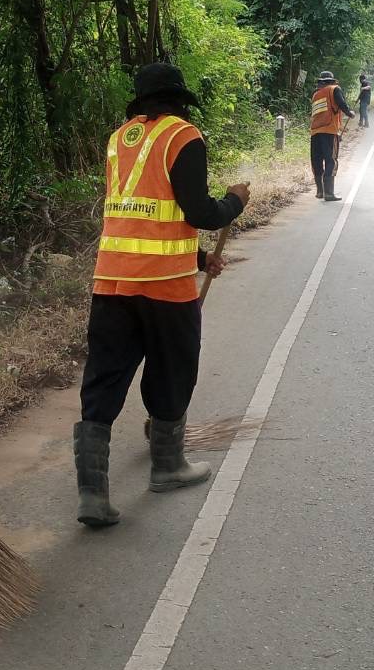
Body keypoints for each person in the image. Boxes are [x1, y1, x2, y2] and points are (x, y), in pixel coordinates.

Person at [74, 62, 250, 528]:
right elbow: (200, 212)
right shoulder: (182, 136)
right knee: (173, 370)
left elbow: (142, 218)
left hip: (112, 281)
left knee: (104, 377)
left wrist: (199, 258)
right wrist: (235, 201)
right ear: (178, 100)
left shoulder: (119, 140)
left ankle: (92, 494)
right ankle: (168, 467)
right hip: (165, 289)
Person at [309, 70, 354, 202]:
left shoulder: (316, 94)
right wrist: (350, 113)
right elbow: (341, 104)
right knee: (331, 160)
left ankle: (320, 191)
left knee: (316, 160)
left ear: (321, 82)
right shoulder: (334, 89)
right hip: (329, 131)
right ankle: (329, 193)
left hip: (315, 132)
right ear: (332, 81)